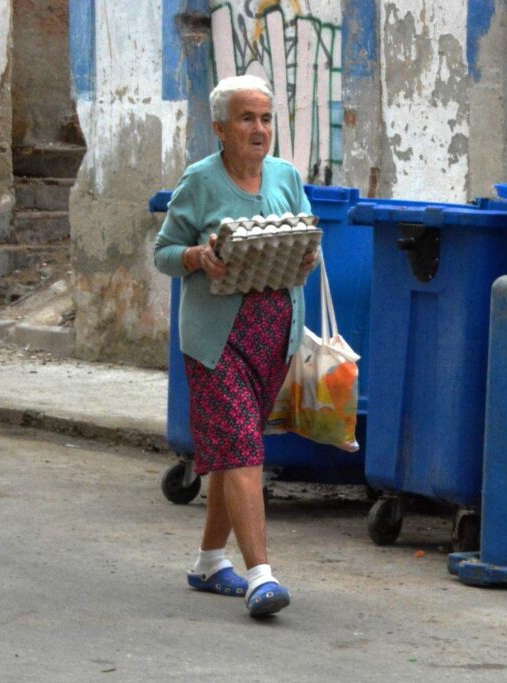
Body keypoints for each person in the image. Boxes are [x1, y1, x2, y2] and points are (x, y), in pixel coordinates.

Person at [154, 74, 317, 618]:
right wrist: (198, 257)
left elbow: (306, 243)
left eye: (267, 118)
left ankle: (207, 562)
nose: (260, 129)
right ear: (220, 128)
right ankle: (260, 577)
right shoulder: (200, 181)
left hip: (274, 337)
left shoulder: (286, 177)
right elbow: (165, 251)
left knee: (228, 451)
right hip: (217, 340)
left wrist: (307, 256)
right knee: (245, 448)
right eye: (247, 118)